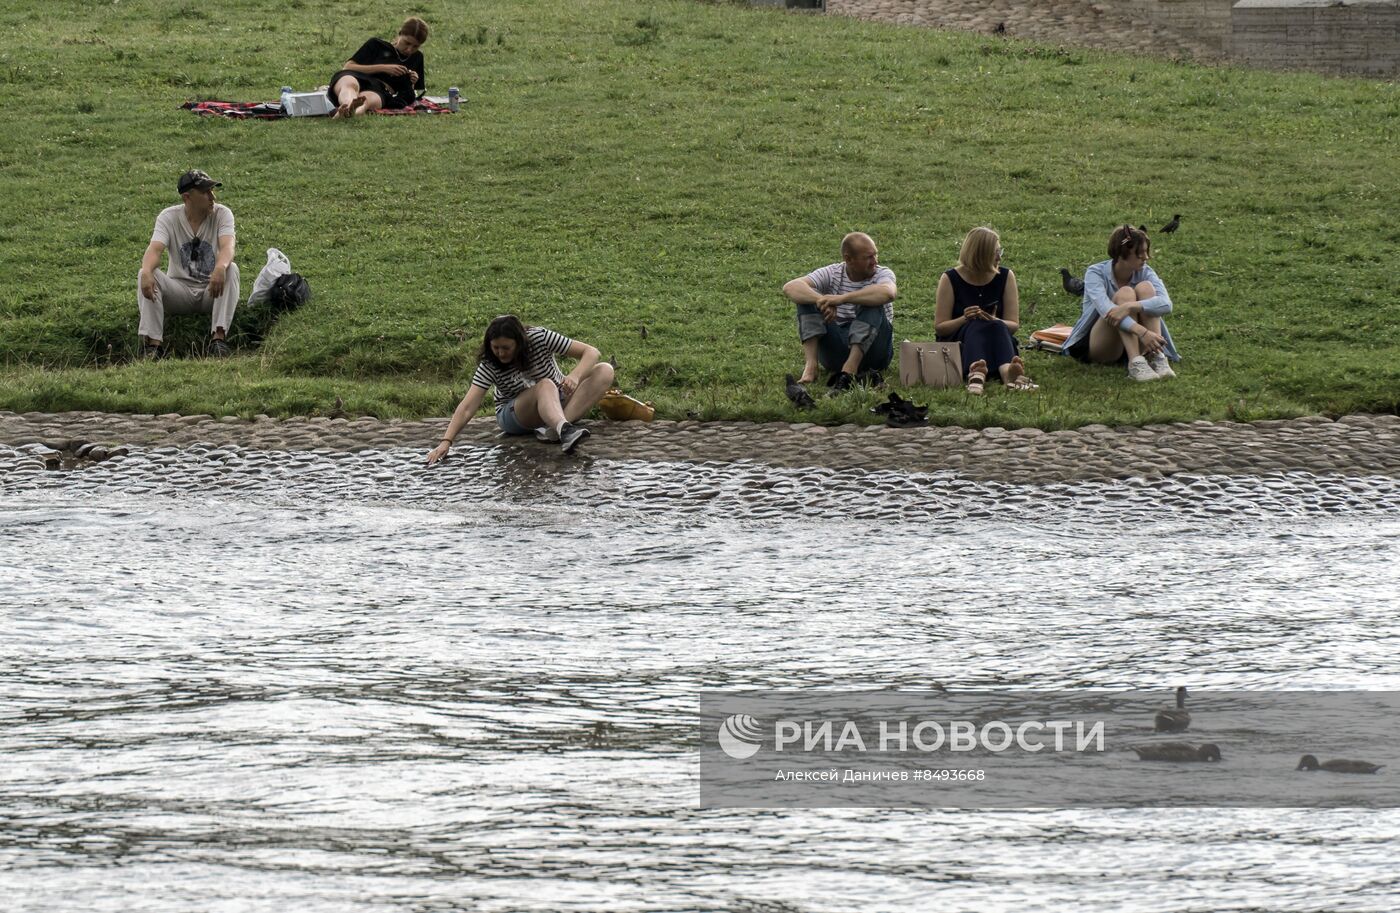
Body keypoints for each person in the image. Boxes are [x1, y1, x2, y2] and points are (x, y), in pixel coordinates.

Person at [426, 315, 616, 463]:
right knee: (546, 384)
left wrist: (575, 375)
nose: (500, 353)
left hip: (556, 399)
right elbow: (468, 406)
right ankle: (564, 429)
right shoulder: (489, 364)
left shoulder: (540, 337)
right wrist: (446, 441)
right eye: (495, 347)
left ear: (520, 342)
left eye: (506, 348)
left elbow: (592, 352)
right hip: (516, 413)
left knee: (604, 370)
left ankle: (557, 429)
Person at [136, 170, 238, 359]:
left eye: (212, 190)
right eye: (206, 192)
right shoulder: (168, 217)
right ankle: (153, 346)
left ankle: (219, 339)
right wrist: (147, 271)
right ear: (187, 197)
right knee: (146, 272)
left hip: (212, 291)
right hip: (179, 292)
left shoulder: (222, 214)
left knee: (231, 268)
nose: (212, 196)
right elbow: (155, 249)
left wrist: (220, 267)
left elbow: (228, 246)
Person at [781, 232, 896, 392]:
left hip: (875, 354)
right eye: (868, 257)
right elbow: (791, 287)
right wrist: (821, 300)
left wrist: (841, 299)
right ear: (849, 259)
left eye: (875, 255)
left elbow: (888, 293)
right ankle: (811, 365)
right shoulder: (833, 273)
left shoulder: (882, 273)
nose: (874, 261)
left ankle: (850, 369)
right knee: (805, 299)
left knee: (873, 301)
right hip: (837, 351)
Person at [1063, 224, 1179, 382]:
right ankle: (1135, 363)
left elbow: (1166, 304)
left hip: (1141, 341)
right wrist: (1142, 332)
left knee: (1146, 288)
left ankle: (1156, 357)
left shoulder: (1146, 271)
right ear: (1122, 254)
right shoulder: (1095, 273)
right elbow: (1108, 311)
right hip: (1102, 345)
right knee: (1125, 293)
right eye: (1140, 254)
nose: (1146, 257)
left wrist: (1131, 306)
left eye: (1146, 252)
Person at [934, 227, 1034, 394]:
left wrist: (995, 320)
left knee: (996, 325)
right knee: (976, 323)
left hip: (997, 336)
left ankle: (1004, 373)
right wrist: (964, 318)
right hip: (961, 339)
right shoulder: (950, 278)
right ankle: (979, 371)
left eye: (999, 251)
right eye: (995, 252)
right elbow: (940, 327)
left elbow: (1013, 324)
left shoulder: (1006, 276)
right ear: (981, 254)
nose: (999, 257)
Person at [328, 17, 428, 119]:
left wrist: (413, 81)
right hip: (356, 76)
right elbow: (348, 67)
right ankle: (347, 106)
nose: (409, 49)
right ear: (400, 34)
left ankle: (350, 112)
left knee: (365, 100)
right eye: (407, 43)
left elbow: (412, 94)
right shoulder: (376, 45)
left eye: (415, 46)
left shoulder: (417, 57)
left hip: (380, 88)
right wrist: (384, 68)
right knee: (349, 85)